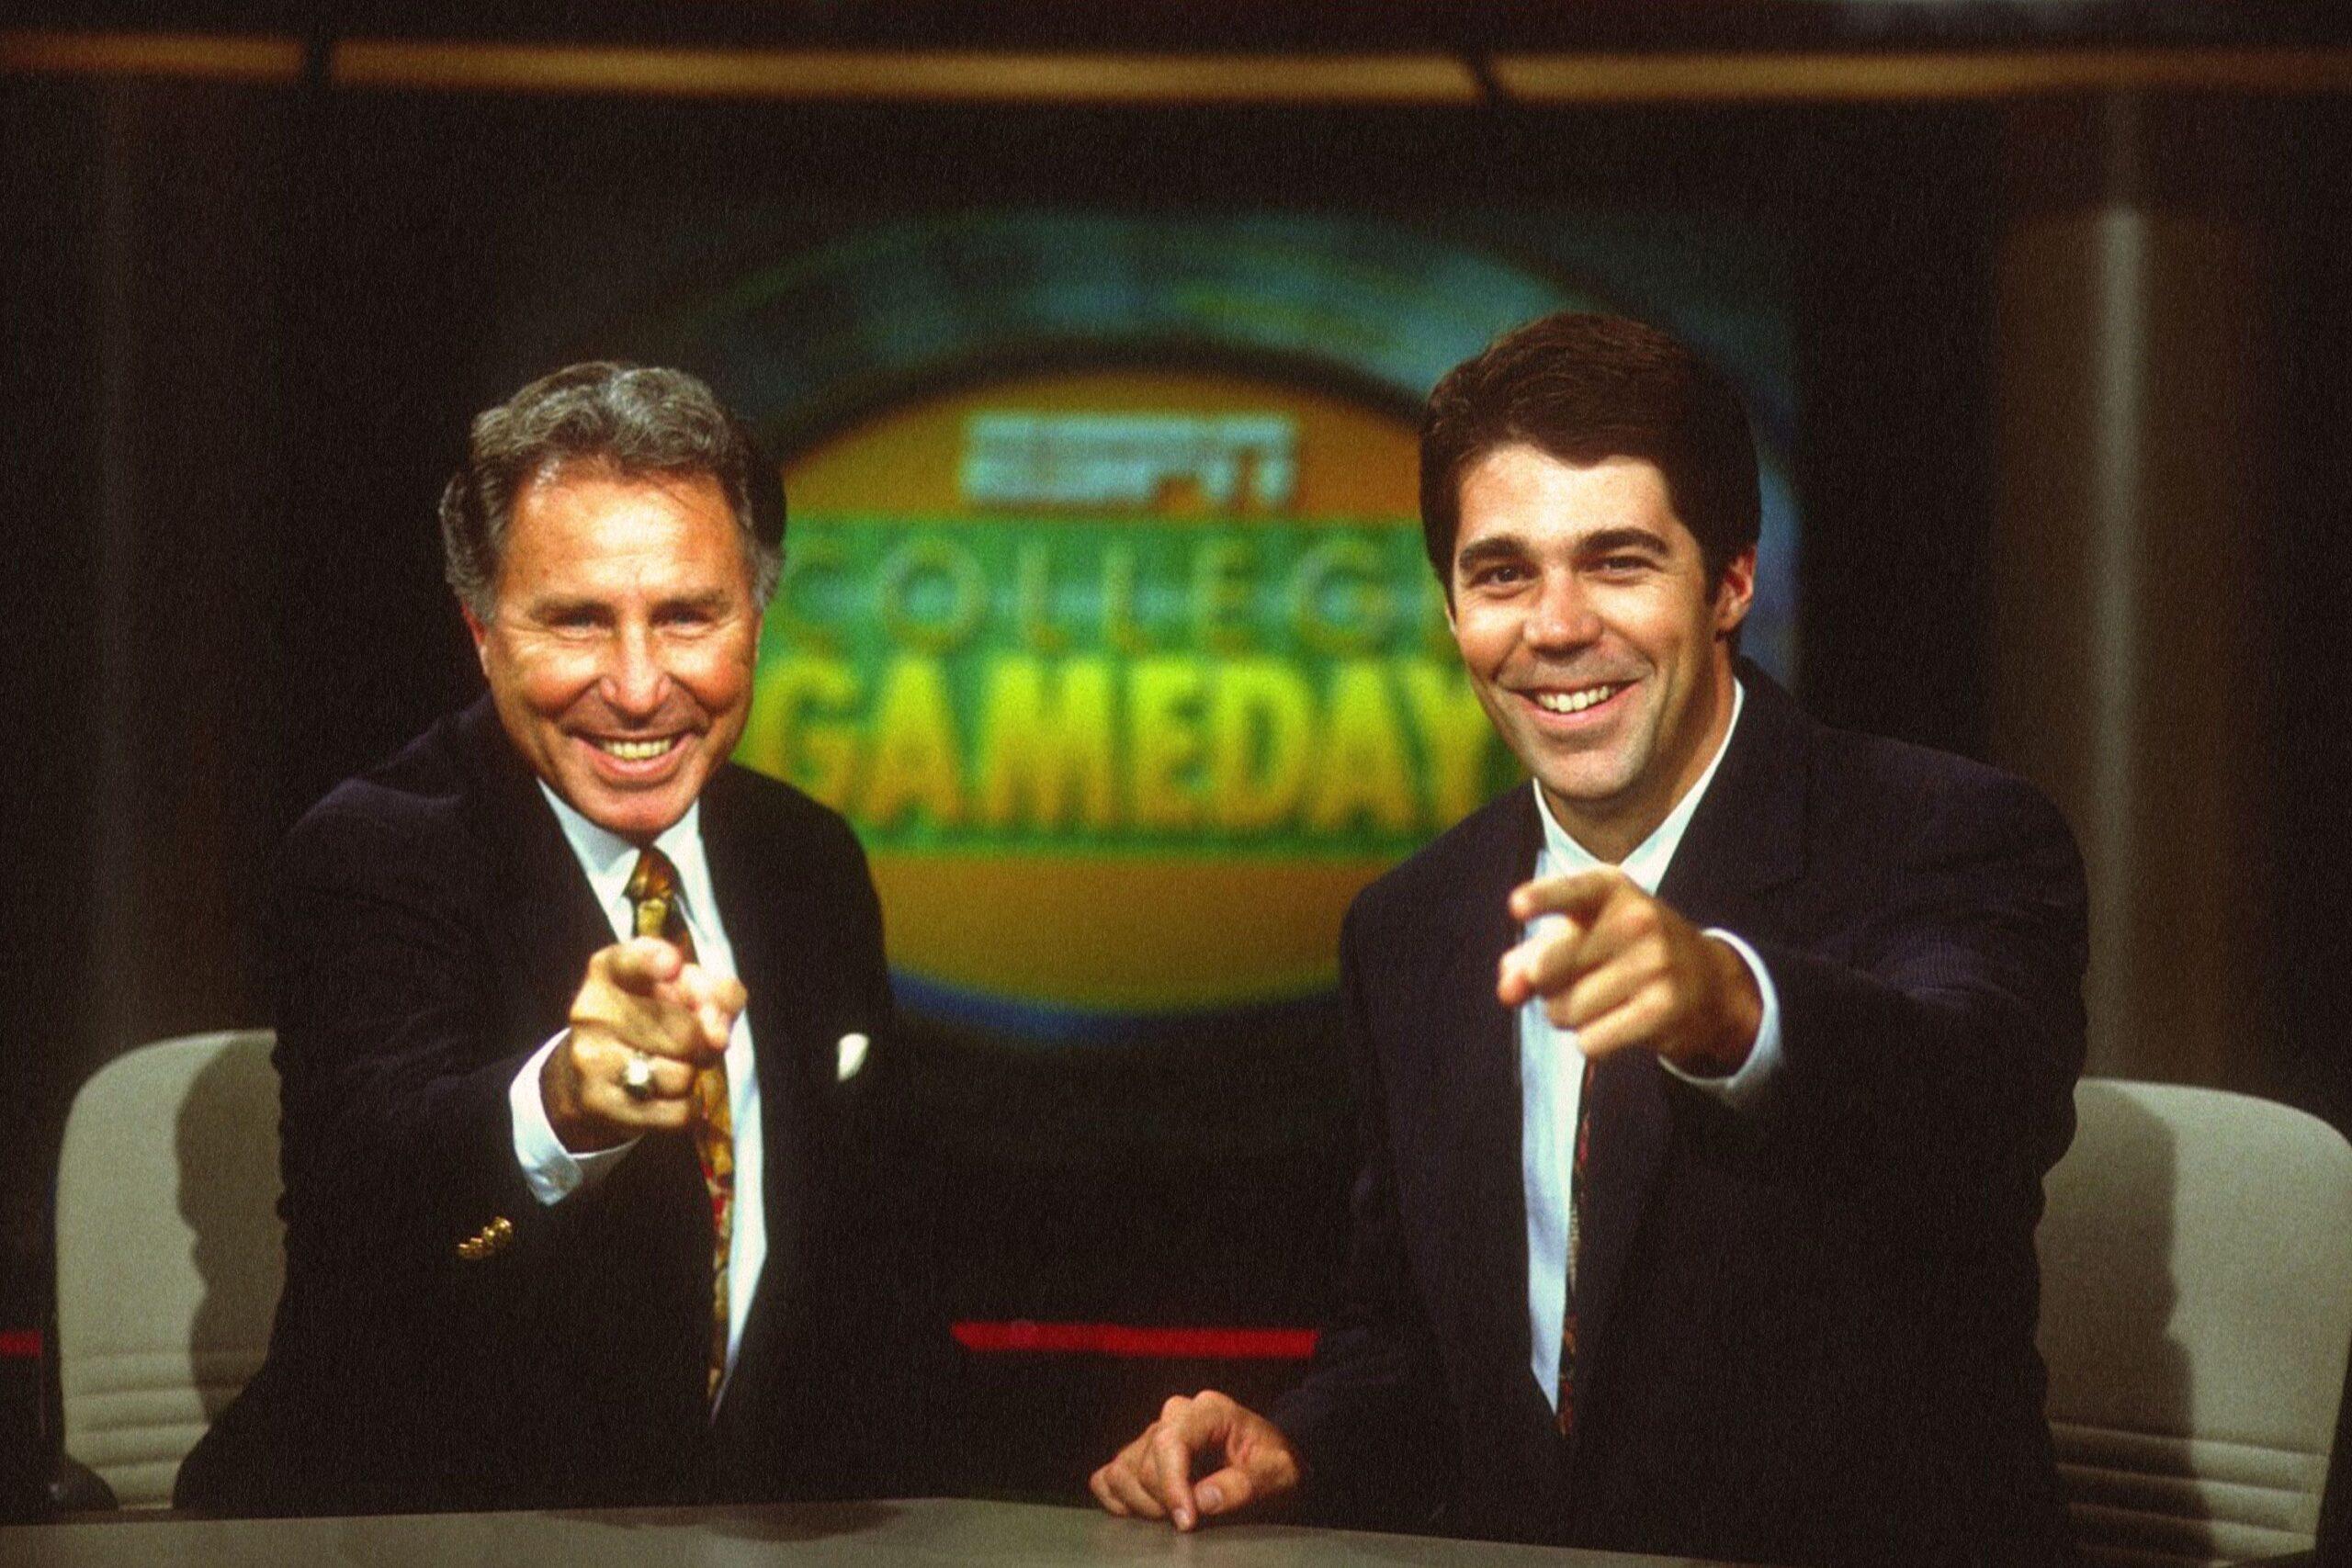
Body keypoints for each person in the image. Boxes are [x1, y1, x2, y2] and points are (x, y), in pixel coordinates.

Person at [1089, 313, 2086, 1566]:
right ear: (1452, 608)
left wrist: (1732, 1007)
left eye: (1617, 562)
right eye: (1503, 574)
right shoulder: (1412, 926)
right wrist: (1299, 1445)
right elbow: (1407, 1349)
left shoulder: (1944, 832)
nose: (1556, 627)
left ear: (1730, 583)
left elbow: (1979, 1098)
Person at [176, 363, 950, 1516]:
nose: (637, 689)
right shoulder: (373, 852)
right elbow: (369, 1213)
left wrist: (1116, 1449)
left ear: (755, 620)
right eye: (578, 620)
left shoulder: (807, 862)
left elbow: (875, 1296)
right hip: (409, 1527)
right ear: (483, 632)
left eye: (687, 616)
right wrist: (561, 1107)